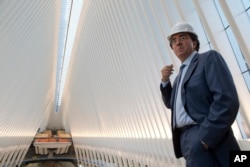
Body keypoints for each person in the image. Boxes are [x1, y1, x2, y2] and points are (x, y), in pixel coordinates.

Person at [160, 21, 240, 167]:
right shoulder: (178, 78)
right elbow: (171, 104)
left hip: (206, 135)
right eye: (174, 40)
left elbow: (227, 100)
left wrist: (205, 139)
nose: (177, 43)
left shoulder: (208, 59)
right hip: (186, 140)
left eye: (183, 37)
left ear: (194, 43)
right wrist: (165, 82)